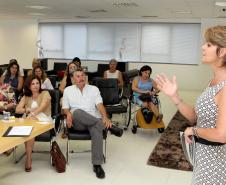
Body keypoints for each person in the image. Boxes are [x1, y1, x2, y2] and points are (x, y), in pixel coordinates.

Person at [155, 25, 226, 185]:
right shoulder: (214, 82)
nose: (202, 47)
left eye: (208, 44)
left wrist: (192, 130)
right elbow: (195, 116)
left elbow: (222, 134)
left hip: (216, 163)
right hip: (204, 156)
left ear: (222, 52)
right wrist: (175, 97)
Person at [62, 68, 123, 179]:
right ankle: (109, 128)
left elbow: (100, 105)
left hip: (94, 120)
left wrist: (105, 117)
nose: (81, 78)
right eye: (78, 76)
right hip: (77, 122)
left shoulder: (94, 89)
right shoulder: (68, 90)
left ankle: (97, 165)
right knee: (77, 112)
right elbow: (65, 109)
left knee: (96, 127)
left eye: (83, 75)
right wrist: (69, 114)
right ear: (73, 79)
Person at [16, 76, 52, 172]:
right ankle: (28, 158)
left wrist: (32, 114)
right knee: (29, 129)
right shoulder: (26, 96)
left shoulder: (45, 93)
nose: (36, 85)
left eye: (37, 83)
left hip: (44, 120)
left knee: (29, 127)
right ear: (29, 86)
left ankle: (17, 151)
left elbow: (43, 107)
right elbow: (17, 109)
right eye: (33, 83)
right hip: (31, 121)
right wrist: (26, 109)